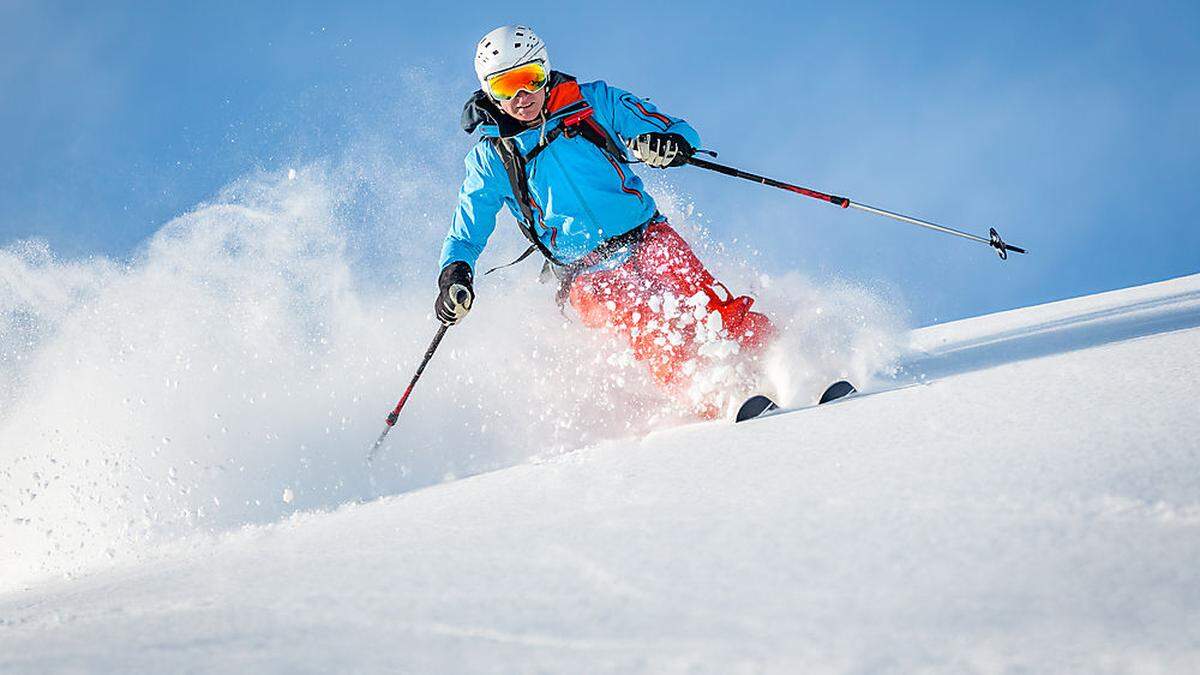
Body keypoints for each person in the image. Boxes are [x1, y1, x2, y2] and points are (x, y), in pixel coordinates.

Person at [436, 24, 774, 418]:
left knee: (710, 305)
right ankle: (718, 403)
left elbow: (676, 130)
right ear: (490, 92)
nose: (521, 96)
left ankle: (784, 367)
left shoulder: (592, 103)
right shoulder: (491, 157)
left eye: (530, 78)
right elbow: (465, 233)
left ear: (545, 71)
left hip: (647, 236)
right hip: (585, 273)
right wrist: (454, 275)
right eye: (506, 86)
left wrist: (669, 144)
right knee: (651, 329)